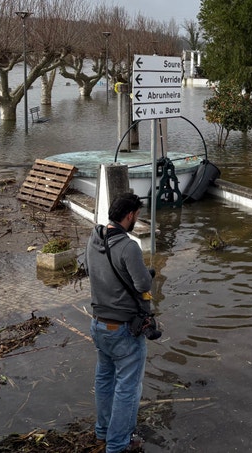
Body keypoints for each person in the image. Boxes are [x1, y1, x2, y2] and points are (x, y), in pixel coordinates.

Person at [84, 192, 152, 453]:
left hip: (99, 325)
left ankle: (102, 431)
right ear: (130, 215)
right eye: (137, 216)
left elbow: (91, 269)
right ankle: (118, 444)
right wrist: (147, 274)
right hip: (123, 329)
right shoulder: (128, 246)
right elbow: (142, 284)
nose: (136, 221)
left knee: (104, 379)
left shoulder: (94, 237)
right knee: (127, 388)